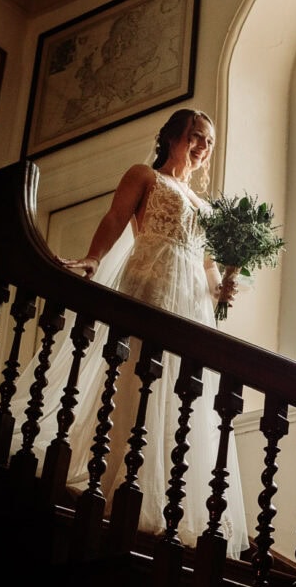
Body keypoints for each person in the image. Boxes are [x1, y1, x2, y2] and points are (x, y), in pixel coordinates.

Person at [54, 107, 248, 559]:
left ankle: (168, 499)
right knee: (140, 378)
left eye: (209, 142)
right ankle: (118, 481)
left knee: (182, 391)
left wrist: (224, 288)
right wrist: (93, 258)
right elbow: (115, 218)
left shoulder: (205, 207)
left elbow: (209, 267)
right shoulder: (145, 175)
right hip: (151, 280)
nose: (203, 148)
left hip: (192, 299)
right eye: (196, 137)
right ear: (174, 136)